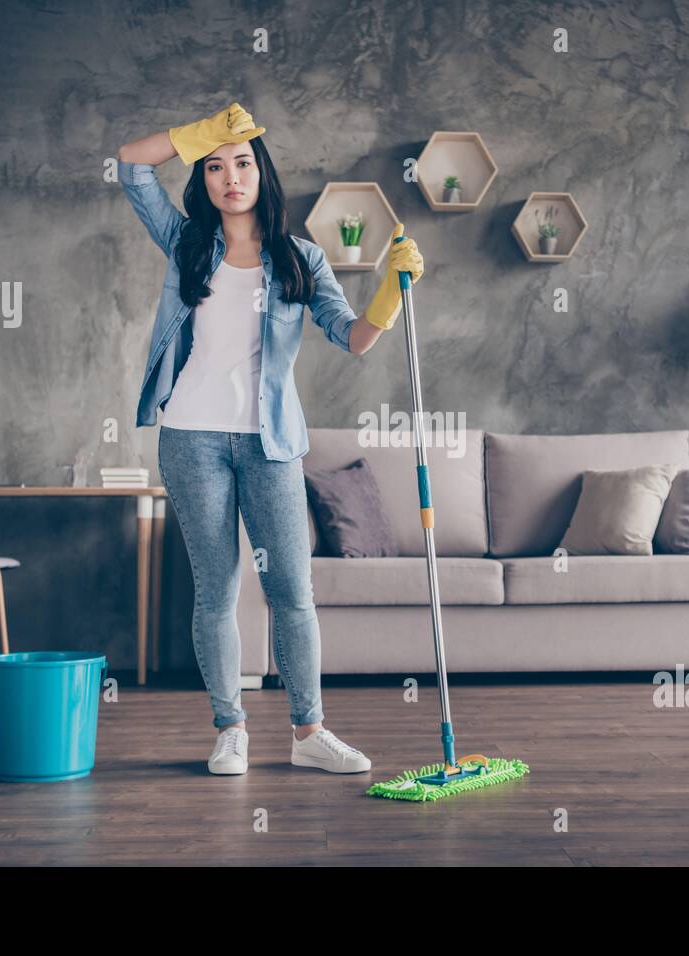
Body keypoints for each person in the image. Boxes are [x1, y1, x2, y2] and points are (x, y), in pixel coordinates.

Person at [117, 103, 424, 776]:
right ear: (204, 179)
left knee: (292, 588)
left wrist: (390, 291)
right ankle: (230, 728)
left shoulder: (300, 257)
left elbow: (353, 337)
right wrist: (206, 133)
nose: (231, 177)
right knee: (215, 591)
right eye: (217, 166)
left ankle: (309, 731)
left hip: (270, 444)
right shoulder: (186, 243)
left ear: (264, 173)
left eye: (244, 162)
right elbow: (132, 167)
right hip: (191, 439)